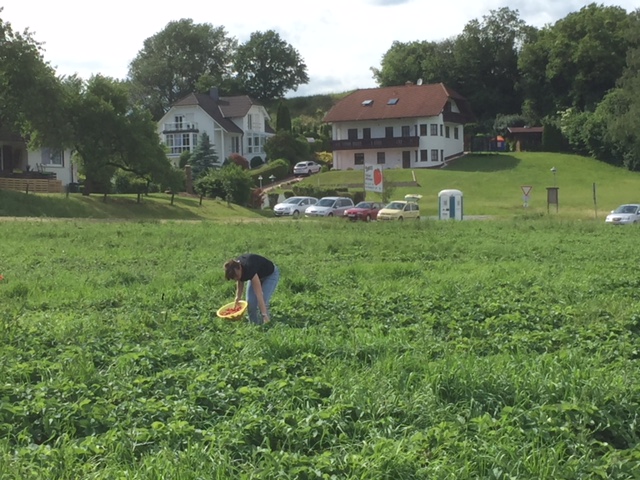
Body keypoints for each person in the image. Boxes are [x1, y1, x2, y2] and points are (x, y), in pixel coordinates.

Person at [224, 253, 280, 325]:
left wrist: (264, 314)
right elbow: (240, 281)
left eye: (237, 276)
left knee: (264, 299)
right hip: (256, 275)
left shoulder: (249, 268)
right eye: (234, 278)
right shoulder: (236, 266)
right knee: (250, 302)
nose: (237, 279)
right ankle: (254, 325)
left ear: (240, 268)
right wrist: (237, 298)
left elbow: (259, 294)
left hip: (270, 275)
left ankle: (267, 323)